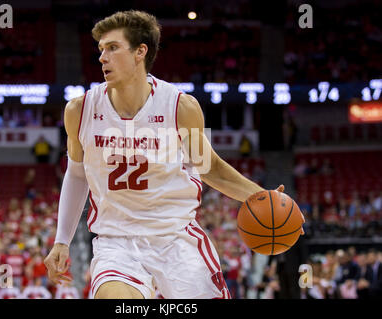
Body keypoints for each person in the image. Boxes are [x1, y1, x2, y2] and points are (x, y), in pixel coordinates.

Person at [44, 10, 304, 299]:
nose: (102, 57)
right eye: (101, 49)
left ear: (140, 52)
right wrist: (61, 241)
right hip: (117, 242)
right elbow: (77, 174)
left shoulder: (179, 107)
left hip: (176, 240)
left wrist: (262, 198)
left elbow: (210, 168)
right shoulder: (80, 111)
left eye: (113, 48)